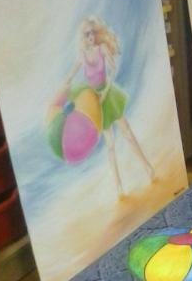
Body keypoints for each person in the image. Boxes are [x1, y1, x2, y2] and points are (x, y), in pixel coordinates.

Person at [64, 16, 155, 198]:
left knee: (127, 133)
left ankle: (148, 168)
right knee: (110, 145)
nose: (90, 36)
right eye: (86, 34)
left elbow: (112, 71)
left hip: (108, 95)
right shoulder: (82, 56)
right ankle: (119, 187)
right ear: (83, 37)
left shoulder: (102, 49)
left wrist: (105, 91)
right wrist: (67, 91)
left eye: (92, 33)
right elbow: (70, 76)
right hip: (96, 101)